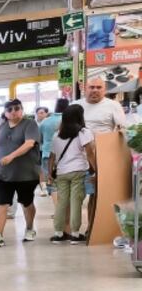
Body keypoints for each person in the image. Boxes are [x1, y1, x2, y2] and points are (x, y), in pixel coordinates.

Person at [78, 79, 128, 241]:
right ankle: (70, 230)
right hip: (77, 158)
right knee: (75, 197)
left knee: (96, 196)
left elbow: (122, 129)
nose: (95, 90)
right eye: (91, 87)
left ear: (105, 89)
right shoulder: (76, 106)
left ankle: (92, 229)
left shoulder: (113, 105)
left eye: (99, 87)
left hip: (102, 159)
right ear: (85, 88)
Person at [0, 99, 42, 247]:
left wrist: (11, 156)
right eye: (10, 109)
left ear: (22, 109)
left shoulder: (30, 124)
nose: (13, 112)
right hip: (2, 174)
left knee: (26, 202)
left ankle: (30, 228)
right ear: (5, 113)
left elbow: (29, 143)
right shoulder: (2, 126)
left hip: (25, 174)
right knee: (1, 203)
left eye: (17, 108)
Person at [48, 104, 96, 245]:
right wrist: (97, 170)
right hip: (78, 172)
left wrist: (50, 173)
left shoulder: (57, 134)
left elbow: (52, 156)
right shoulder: (83, 132)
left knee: (62, 202)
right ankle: (75, 234)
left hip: (61, 172)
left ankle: (58, 233)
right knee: (76, 202)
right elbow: (90, 153)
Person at [36, 104, 58, 194]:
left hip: (48, 149)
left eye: (42, 113)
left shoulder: (48, 122)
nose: (40, 115)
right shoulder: (36, 124)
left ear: (46, 113)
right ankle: (44, 188)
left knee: (49, 169)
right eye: (38, 113)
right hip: (40, 150)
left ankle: (50, 187)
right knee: (42, 170)